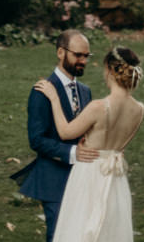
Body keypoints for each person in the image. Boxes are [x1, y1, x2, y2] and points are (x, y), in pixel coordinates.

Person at [30, 45, 144, 242]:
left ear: (109, 70)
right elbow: (117, 145)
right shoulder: (139, 109)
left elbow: (65, 133)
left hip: (90, 172)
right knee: (110, 227)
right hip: (115, 177)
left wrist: (54, 98)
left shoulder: (99, 107)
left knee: (79, 225)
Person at [11, 30, 92, 240]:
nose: (83, 60)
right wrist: (72, 153)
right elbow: (36, 140)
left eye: (86, 56)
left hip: (82, 179)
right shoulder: (41, 91)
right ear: (60, 52)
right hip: (53, 179)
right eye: (78, 55)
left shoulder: (85, 91)